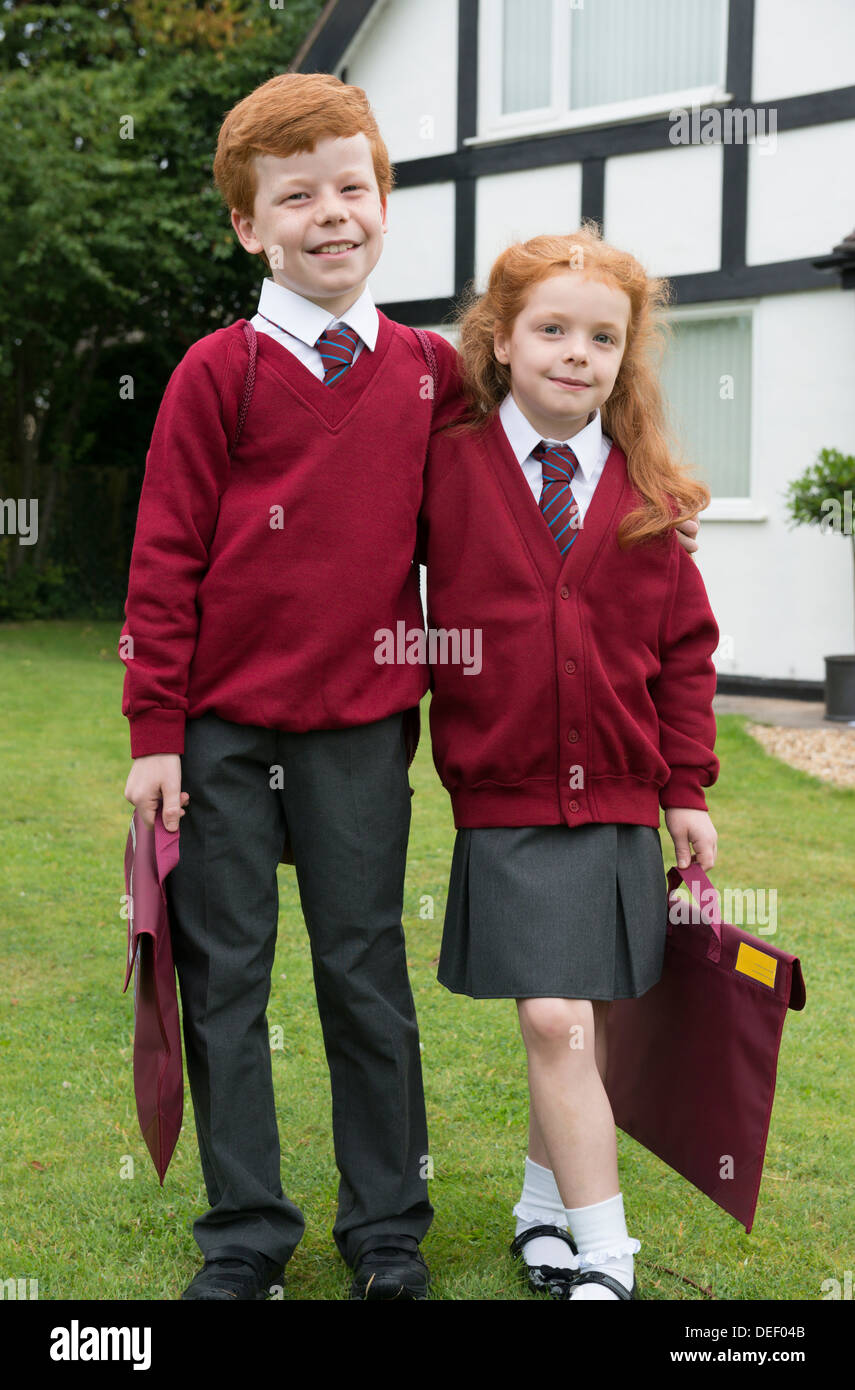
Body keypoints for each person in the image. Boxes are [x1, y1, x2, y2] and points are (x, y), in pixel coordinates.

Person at [118, 71, 467, 1302]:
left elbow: (511, 493)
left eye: (353, 187)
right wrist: (154, 733)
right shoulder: (217, 374)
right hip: (216, 735)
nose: (333, 213)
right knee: (226, 981)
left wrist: (639, 519)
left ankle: (386, 1231)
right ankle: (247, 1234)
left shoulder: (432, 371)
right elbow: (162, 560)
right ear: (248, 224)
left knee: (365, 975)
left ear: (384, 204)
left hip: (362, 734)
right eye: (298, 194)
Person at [418, 224, 719, 1301]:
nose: (575, 352)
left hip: (620, 802)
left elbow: (685, 653)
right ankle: (610, 1260)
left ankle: (545, 1218)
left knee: (576, 1017)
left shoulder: (651, 496)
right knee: (553, 1016)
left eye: (602, 337)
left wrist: (686, 788)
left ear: (622, 356)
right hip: (501, 797)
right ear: (501, 339)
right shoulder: (443, 465)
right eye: (552, 328)